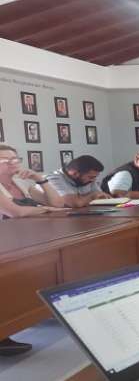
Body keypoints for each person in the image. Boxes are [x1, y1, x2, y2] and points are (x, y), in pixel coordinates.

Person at [0, 145, 66, 356]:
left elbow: (58, 202)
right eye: (6, 161)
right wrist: (43, 209)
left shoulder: (20, 183)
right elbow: (15, 213)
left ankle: (38, 311)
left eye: (16, 159)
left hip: (27, 239)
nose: (14, 164)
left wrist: (40, 179)